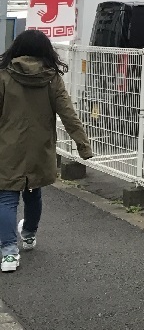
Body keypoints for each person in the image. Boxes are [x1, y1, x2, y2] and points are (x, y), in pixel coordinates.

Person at [0, 30, 93, 273]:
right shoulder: (51, 78)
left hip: (7, 148)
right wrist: (83, 146)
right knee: (33, 193)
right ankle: (29, 235)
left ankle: (9, 253)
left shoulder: (3, 75)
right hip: (39, 149)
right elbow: (68, 115)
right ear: (45, 52)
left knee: (7, 199)